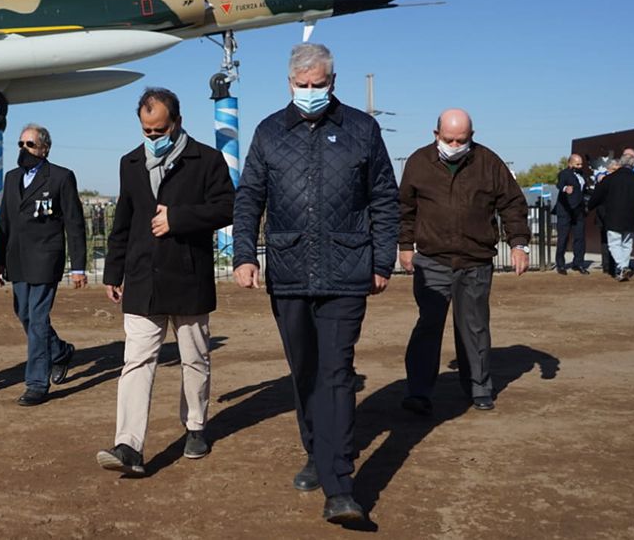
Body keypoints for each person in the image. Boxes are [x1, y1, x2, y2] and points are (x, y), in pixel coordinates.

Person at [233, 43, 399, 525]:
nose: (310, 92)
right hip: (289, 271)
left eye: (318, 84)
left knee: (336, 372)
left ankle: (340, 485)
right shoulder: (269, 132)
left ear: (333, 82)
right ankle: (316, 452)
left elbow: (384, 198)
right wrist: (244, 255)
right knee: (304, 371)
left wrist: (382, 260)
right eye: (302, 85)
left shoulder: (362, 129)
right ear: (289, 84)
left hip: (347, 271)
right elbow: (249, 198)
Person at [96, 88, 235, 477]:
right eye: (147, 131)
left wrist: (179, 218)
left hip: (189, 277)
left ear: (177, 122)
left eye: (160, 130)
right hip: (143, 278)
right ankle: (128, 445)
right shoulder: (130, 162)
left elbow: (228, 207)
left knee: (195, 358)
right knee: (136, 361)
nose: (153, 137)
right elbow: (123, 221)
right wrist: (113, 272)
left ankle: (195, 427)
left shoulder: (206, 159)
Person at [399, 109, 529, 418]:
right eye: (449, 139)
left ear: (472, 135)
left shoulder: (488, 162)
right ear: (436, 135)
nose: (455, 145)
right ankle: (418, 392)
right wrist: (404, 246)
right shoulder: (418, 162)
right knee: (428, 325)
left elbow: (512, 203)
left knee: (474, 325)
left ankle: (478, 387)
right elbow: (404, 207)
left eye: (462, 139)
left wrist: (518, 243)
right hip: (432, 260)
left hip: (475, 260)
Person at [0, 123, 87, 406]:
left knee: (37, 319)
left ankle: (36, 383)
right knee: (23, 313)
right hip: (17, 259)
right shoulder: (11, 178)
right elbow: (4, 221)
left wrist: (78, 267)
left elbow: (74, 223)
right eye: (21, 144)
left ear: (44, 149)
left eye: (30, 144)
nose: (24, 149)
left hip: (46, 258)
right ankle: (60, 352)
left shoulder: (60, 177)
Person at [587, 152, 634, 281]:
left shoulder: (609, 179)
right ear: (633, 165)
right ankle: (623, 269)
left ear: (620, 163)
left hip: (612, 216)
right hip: (630, 216)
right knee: (627, 244)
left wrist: (588, 207)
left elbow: (597, 196)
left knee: (614, 243)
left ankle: (621, 266)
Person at [554, 153, 590, 275]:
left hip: (578, 210)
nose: (580, 166)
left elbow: (584, 190)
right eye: (577, 164)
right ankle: (560, 264)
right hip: (565, 210)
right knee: (563, 238)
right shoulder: (564, 174)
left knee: (580, 237)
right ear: (570, 164)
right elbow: (559, 184)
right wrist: (565, 188)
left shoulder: (582, 175)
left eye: (581, 164)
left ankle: (578, 263)